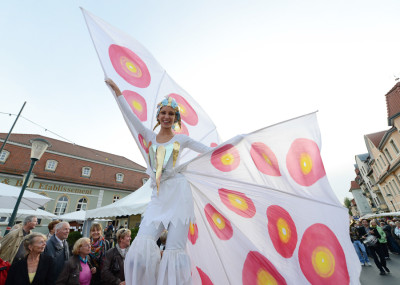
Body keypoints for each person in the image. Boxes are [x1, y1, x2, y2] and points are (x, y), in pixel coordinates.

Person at [106, 79, 213, 285]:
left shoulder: (181, 140)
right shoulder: (149, 137)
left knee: (174, 248)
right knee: (142, 246)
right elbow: (130, 117)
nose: (166, 116)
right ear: (158, 116)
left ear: (175, 118)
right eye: (163, 113)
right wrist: (118, 92)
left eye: (171, 114)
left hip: (180, 194)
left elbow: (210, 152)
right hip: (159, 196)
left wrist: (238, 144)